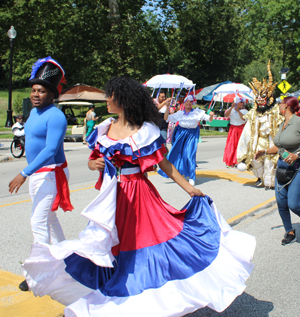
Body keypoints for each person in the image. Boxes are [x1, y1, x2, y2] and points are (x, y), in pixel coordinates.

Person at [21, 77, 255, 317]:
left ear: (122, 99)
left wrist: (189, 189)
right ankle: (112, 293)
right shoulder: (105, 127)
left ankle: (148, 298)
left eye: (110, 95)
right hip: (111, 197)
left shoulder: (144, 131)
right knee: (107, 244)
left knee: (140, 245)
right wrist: (95, 165)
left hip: (138, 195)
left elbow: (165, 165)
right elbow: (92, 160)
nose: (107, 99)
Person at [8, 56, 73, 292]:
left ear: (52, 94)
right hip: (38, 174)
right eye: (34, 90)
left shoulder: (55, 116)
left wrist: (23, 172)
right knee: (49, 220)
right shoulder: (34, 113)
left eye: (42, 91)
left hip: (49, 173)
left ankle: (38, 275)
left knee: (38, 222)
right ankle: (69, 262)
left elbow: (50, 149)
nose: (36, 94)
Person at [255, 97, 300, 245]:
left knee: (294, 204)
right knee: (281, 203)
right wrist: (264, 151)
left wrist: (297, 154)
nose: (278, 107)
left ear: (286, 106)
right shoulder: (282, 124)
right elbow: (280, 148)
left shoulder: (299, 122)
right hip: (283, 169)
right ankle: (290, 231)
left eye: (280, 104)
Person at [236, 61, 284, 188]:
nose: (260, 100)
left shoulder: (276, 112)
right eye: (258, 98)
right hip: (258, 141)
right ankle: (260, 177)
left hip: (271, 142)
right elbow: (247, 131)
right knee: (255, 160)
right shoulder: (253, 113)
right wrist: (243, 150)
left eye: (263, 97)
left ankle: (269, 182)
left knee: (270, 162)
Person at [159, 94, 214, 185]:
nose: (188, 103)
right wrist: (168, 107)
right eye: (187, 102)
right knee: (177, 154)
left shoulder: (197, 112)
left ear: (192, 103)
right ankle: (177, 174)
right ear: (184, 103)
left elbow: (209, 119)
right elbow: (166, 118)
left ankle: (192, 176)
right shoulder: (180, 113)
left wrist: (211, 115)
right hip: (180, 134)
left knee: (189, 155)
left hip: (192, 135)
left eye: (190, 102)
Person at [223, 97, 248, 167]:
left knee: (240, 145)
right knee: (231, 145)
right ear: (236, 103)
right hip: (233, 129)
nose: (242, 104)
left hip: (241, 129)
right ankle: (230, 161)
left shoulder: (245, 111)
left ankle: (238, 160)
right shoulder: (231, 110)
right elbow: (226, 115)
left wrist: (238, 111)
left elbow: (244, 118)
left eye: (243, 102)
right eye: (241, 102)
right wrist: (231, 108)